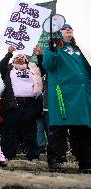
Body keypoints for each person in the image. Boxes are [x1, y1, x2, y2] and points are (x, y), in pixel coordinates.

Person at [42, 24, 91, 173]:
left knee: (82, 130)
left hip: (82, 96)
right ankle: (55, 160)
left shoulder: (81, 50)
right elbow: (48, 65)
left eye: (70, 28)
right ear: (59, 32)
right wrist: (52, 49)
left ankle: (86, 161)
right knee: (58, 129)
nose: (68, 30)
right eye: (64, 28)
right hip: (62, 94)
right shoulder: (54, 48)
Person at [0, 46, 43, 161]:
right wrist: (9, 53)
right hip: (13, 103)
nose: (19, 58)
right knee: (10, 131)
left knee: (30, 131)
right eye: (17, 57)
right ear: (13, 60)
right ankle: (8, 154)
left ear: (26, 60)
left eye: (22, 57)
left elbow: (44, 69)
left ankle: (33, 155)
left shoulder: (33, 69)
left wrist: (39, 55)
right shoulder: (8, 69)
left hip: (30, 103)